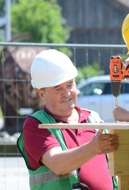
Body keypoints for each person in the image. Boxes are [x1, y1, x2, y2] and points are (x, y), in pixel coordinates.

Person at [17, 49, 119, 190]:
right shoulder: (36, 125)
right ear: (42, 94)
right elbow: (57, 164)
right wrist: (93, 148)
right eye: (57, 88)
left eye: (70, 85)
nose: (67, 93)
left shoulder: (93, 118)